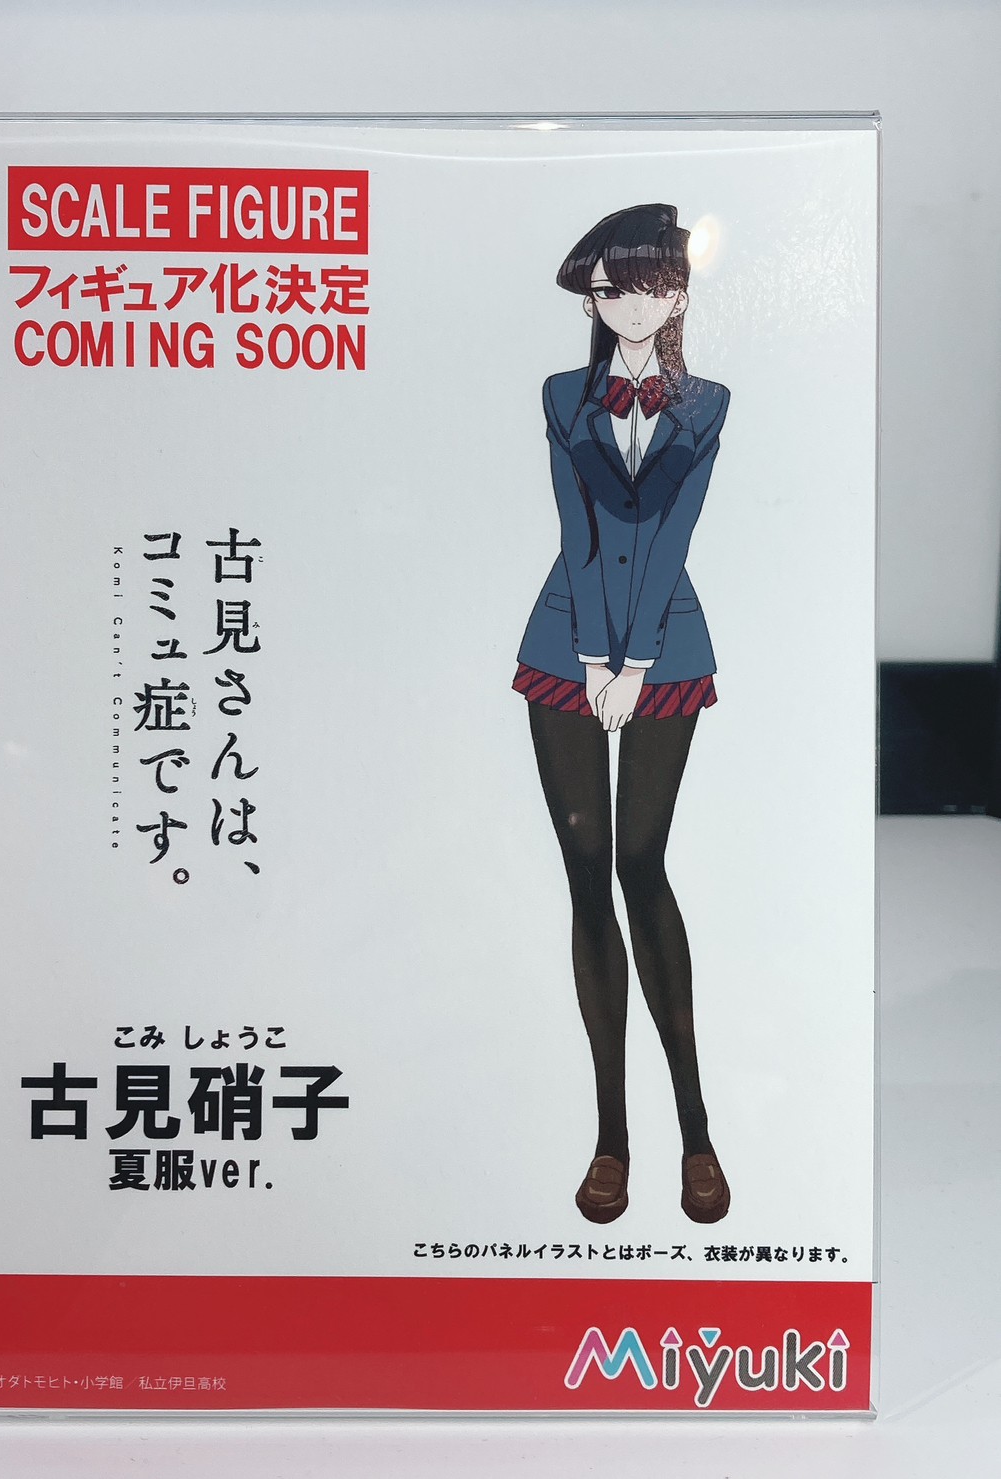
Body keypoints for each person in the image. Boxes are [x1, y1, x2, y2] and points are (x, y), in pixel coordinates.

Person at [514, 203, 731, 1224]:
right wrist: (593, 656)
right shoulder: (562, 394)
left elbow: (667, 530)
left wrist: (634, 659)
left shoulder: (705, 403)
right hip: (563, 639)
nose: (627, 306)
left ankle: (695, 1129)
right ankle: (611, 1137)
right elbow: (579, 526)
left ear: (676, 293)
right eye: (609, 291)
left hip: (664, 644)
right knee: (584, 875)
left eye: (645, 287)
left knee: (641, 862)